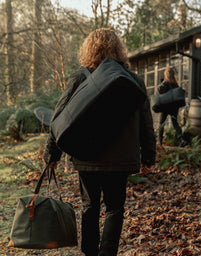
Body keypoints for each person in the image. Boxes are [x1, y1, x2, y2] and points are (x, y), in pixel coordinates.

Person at [43, 28, 156, 256]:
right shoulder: (132, 81)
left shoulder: (80, 78)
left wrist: (52, 155)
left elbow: (60, 119)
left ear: (89, 49)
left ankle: (90, 253)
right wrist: (149, 156)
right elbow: (146, 122)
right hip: (121, 160)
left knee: (90, 207)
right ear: (118, 50)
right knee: (115, 208)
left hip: (87, 157)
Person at [158, 66, 186, 146]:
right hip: (174, 107)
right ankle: (181, 139)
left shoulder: (165, 83)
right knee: (175, 123)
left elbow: (159, 90)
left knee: (161, 123)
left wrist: (163, 82)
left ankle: (159, 141)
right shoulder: (175, 84)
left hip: (166, 106)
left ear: (166, 74)